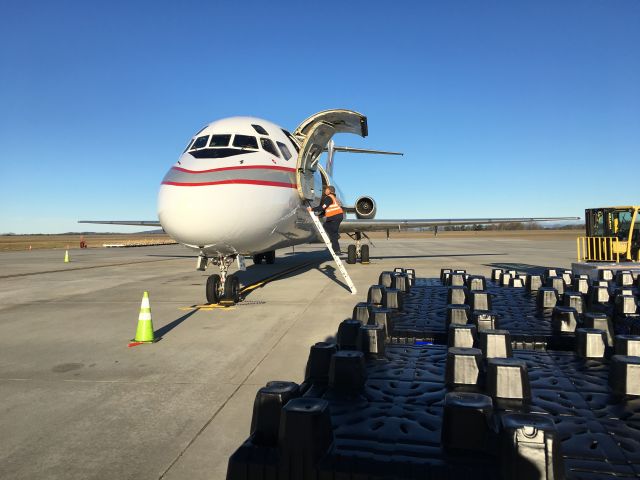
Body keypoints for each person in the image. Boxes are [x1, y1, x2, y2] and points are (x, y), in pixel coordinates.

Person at [311, 185, 344, 254]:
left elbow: (322, 207)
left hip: (335, 216)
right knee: (326, 225)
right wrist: (319, 216)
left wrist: (311, 209)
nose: (325, 191)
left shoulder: (329, 198)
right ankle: (336, 236)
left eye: (326, 189)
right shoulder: (333, 197)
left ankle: (337, 250)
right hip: (336, 216)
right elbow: (326, 210)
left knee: (333, 234)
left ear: (330, 190)